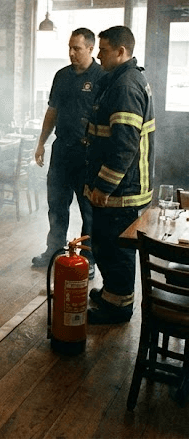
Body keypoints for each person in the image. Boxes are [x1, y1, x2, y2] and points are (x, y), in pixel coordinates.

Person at [83, 26, 155, 325]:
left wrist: (104, 186)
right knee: (106, 243)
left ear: (121, 52)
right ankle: (112, 293)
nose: (98, 55)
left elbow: (124, 147)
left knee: (115, 248)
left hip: (122, 190)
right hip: (121, 187)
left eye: (103, 50)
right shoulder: (122, 79)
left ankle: (119, 307)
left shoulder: (125, 86)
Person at [30, 28, 103, 278]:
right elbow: (52, 111)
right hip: (61, 150)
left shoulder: (101, 76)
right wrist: (41, 142)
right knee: (56, 205)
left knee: (88, 211)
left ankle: (88, 258)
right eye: (70, 48)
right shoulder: (61, 75)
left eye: (77, 48)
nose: (71, 53)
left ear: (90, 49)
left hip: (87, 154)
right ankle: (53, 250)